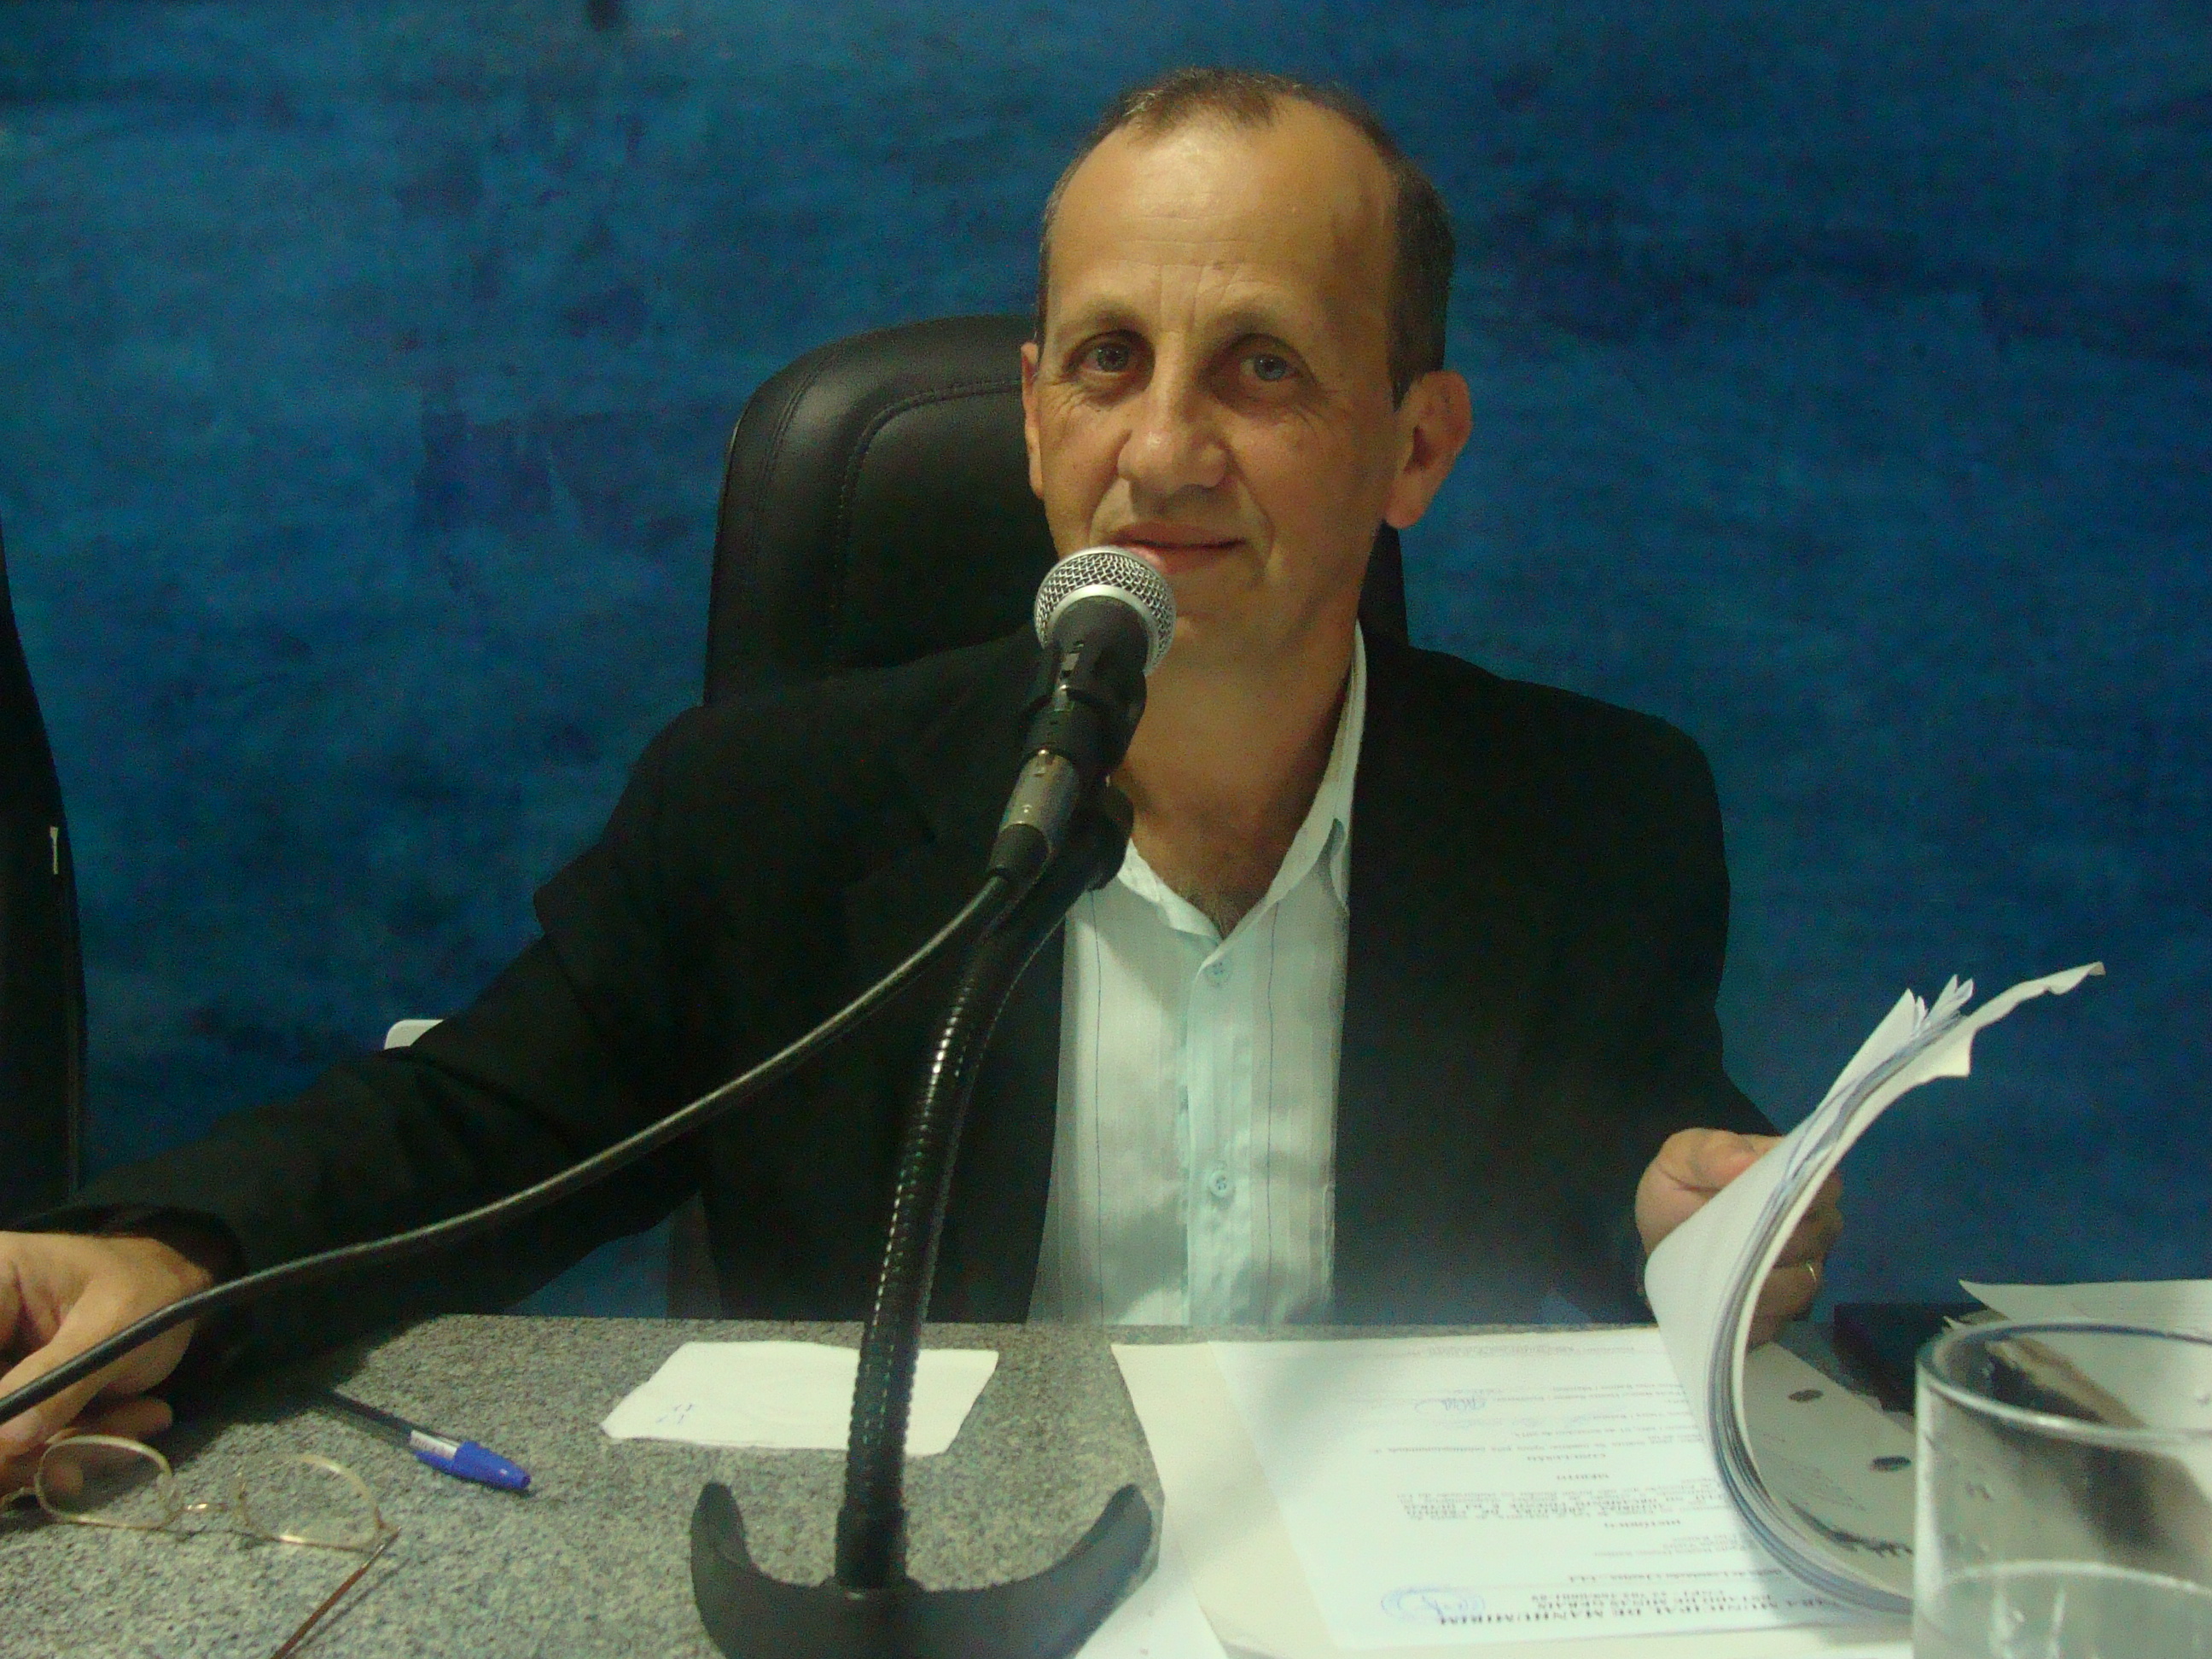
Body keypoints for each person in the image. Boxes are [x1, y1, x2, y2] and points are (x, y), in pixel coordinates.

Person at [0, 69, 1840, 1487]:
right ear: (1036, 421)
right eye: (1109, 361)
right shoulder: (764, 818)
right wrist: (167, 1261)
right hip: (909, 1589)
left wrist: (1694, 1221)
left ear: (1416, 445)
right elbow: (459, 1136)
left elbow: (1629, 1164)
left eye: (1263, 368)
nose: (1165, 447)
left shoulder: (1595, 817)